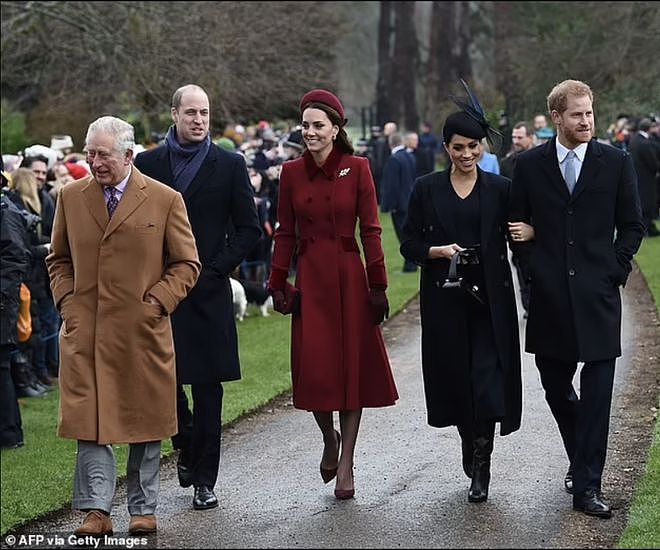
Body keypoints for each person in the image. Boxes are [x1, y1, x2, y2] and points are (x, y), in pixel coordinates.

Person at [46, 116, 201, 535]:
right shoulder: (71, 197)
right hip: (87, 333)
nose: (94, 162)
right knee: (91, 422)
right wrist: (68, 302)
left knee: (145, 421)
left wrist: (158, 301)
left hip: (142, 332)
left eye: (103, 155)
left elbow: (187, 263)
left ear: (129, 156)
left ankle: (142, 507)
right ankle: (96, 510)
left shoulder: (165, 199)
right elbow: (57, 259)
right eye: (89, 153)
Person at [508, 79, 645, 518]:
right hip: (549, 297)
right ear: (556, 119)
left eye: (589, 113)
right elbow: (517, 226)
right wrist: (533, 267)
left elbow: (633, 225)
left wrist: (615, 270)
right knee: (555, 387)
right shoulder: (529, 166)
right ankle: (581, 458)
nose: (586, 121)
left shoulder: (616, 162)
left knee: (599, 395)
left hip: (599, 296)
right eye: (576, 114)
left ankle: (588, 486)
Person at [134, 84, 261, 511]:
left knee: (209, 389)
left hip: (208, 291)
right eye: (191, 112)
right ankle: (185, 443)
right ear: (174, 114)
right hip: (164, 293)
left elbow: (249, 230)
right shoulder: (148, 164)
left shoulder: (228, 164)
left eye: (205, 113)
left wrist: (215, 269)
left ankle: (206, 479)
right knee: (167, 382)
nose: (199, 120)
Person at [267, 89, 399, 500]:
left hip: (348, 276)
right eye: (305, 125)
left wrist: (378, 285)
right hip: (311, 278)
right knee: (315, 370)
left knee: (349, 371)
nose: (309, 132)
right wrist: (276, 283)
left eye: (318, 125)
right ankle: (329, 437)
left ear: (336, 129)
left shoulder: (358, 168)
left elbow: (371, 229)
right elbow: (285, 231)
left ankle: (347, 464)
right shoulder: (291, 172)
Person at [400, 81, 526, 504]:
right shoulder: (426, 189)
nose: (467, 155)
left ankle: (482, 465)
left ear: (482, 148)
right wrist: (436, 251)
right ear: (446, 148)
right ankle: (467, 440)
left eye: (474, 147)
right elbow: (409, 243)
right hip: (445, 300)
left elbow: (521, 237)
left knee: (487, 384)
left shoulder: (500, 189)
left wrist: (529, 232)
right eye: (459, 147)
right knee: (457, 383)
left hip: (490, 301)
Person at [0, 189, 29, 449]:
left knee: (1, 367)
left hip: (3, 303)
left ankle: (9, 435)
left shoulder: (5, 211)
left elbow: (16, 258)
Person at [380, 132, 418, 272]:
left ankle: (410, 264)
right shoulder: (410, 156)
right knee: (408, 233)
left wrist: (388, 205)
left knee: (403, 235)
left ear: (390, 143)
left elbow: (392, 185)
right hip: (410, 201)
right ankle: (411, 263)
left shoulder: (394, 159)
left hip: (399, 205)